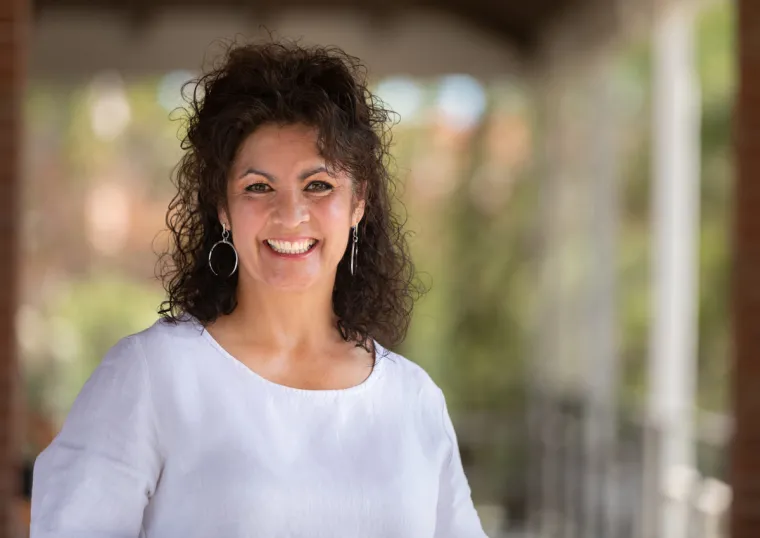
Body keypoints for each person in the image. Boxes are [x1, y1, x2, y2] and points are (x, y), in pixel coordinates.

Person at [30, 40, 488, 538]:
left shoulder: (414, 401)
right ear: (223, 209)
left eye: (319, 185)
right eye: (258, 186)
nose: (290, 215)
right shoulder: (152, 378)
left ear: (359, 203)